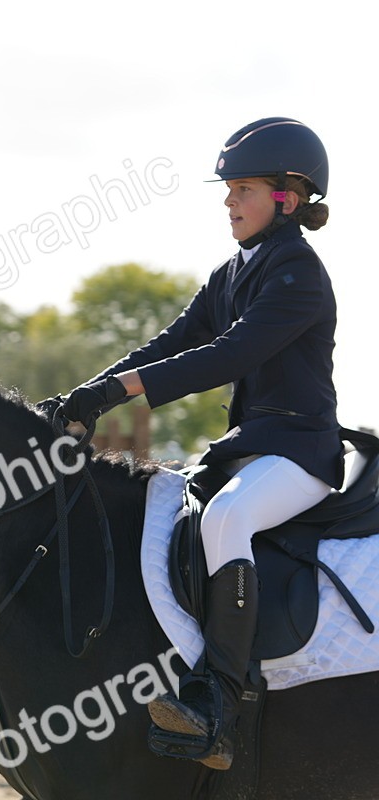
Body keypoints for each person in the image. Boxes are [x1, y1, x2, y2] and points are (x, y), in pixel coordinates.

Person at [53, 118, 339, 770]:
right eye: (229, 189)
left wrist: (117, 391)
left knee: (227, 516)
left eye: (242, 188)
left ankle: (216, 700)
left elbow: (227, 356)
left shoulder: (298, 274)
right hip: (248, 449)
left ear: (286, 197)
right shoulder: (235, 269)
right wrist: (89, 392)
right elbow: (172, 343)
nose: (228, 201)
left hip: (300, 454)